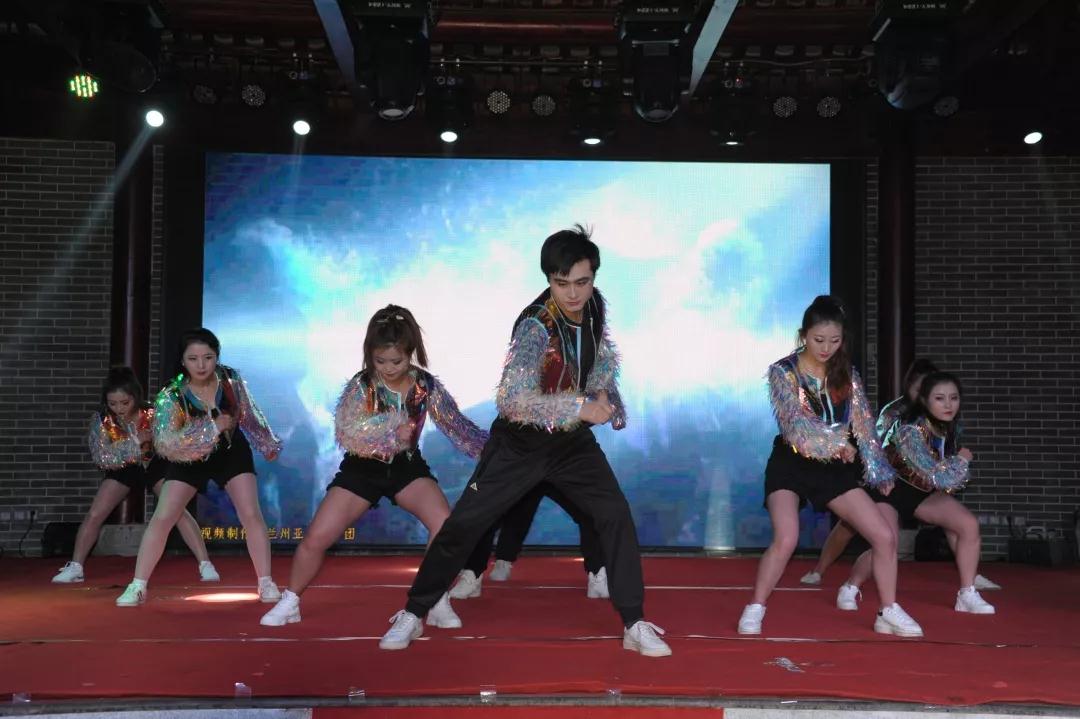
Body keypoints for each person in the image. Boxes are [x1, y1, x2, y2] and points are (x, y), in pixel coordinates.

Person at [378, 225, 671, 657]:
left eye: (582, 282)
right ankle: (413, 612)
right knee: (464, 526)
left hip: (570, 445)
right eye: (562, 283)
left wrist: (605, 394)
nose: (573, 293)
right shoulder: (535, 326)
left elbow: (599, 357)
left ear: (594, 277)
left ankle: (634, 622)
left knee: (614, 515)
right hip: (519, 443)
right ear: (549, 279)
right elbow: (513, 400)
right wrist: (579, 406)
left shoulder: (594, 307)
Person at [260, 305, 488, 628]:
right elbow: (347, 430)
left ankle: (436, 599)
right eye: (380, 361)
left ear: (410, 353)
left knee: (444, 524)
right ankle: (291, 601)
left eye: (397, 361)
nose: (388, 368)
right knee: (316, 537)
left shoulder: (425, 385)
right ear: (370, 355)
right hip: (361, 469)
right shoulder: (361, 385)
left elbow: (458, 427)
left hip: (407, 469)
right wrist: (390, 429)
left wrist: (492, 448)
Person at [737, 295, 924, 638]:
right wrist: (837, 443)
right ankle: (756, 606)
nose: (826, 348)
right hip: (791, 463)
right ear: (803, 335)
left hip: (833, 469)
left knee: (884, 536)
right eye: (818, 340)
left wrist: (878, 471)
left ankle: (888, 610)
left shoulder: (846, 374)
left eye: (834, 341)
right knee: (787, 538)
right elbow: (795, 426)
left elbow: (864, 427)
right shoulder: (783, 371)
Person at [115, 329, 283, 606]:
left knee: (251, 514)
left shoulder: (230, 380)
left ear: (217, 356)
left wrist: (267, 443)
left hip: (230, 451)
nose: (201, 365)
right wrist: (211, 429)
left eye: (208, 357)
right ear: (183, 361)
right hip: (188, 458)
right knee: (163, 517)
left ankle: (266, 582)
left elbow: (250, 414)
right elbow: (167, 442)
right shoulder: (172, 394)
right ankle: (137, 585)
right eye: (193, 359)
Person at [801, 359, 999, 591]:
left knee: (962, 524)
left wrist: (951, 466)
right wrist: (876, 475)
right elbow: (876, 446)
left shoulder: (946, 422)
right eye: (932, 393)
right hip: (888, 484)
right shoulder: (901, 418)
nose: (945, 402)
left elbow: (944, 462)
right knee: (859, 530)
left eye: (951, 396)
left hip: (922, 487)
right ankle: (825, 572)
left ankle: (969, 581)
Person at [52, 367, 219, 584]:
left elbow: (174, 441)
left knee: (176, 511)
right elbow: (102, 457)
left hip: (156, 464)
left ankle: (205, 564)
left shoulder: (153, 413)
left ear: (135, 397)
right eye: (113, 403)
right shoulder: (102, 420)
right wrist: (135, 442)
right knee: (95, 514)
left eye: (125, 402)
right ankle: (76, 566)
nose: (119, 409)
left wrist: (155, 440)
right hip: (124, 467)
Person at [448, 482, 609, 600]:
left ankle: (597, 573)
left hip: (561, 459)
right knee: (485, 505)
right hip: (519, 456)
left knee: (590, 509)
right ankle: (473, 572)